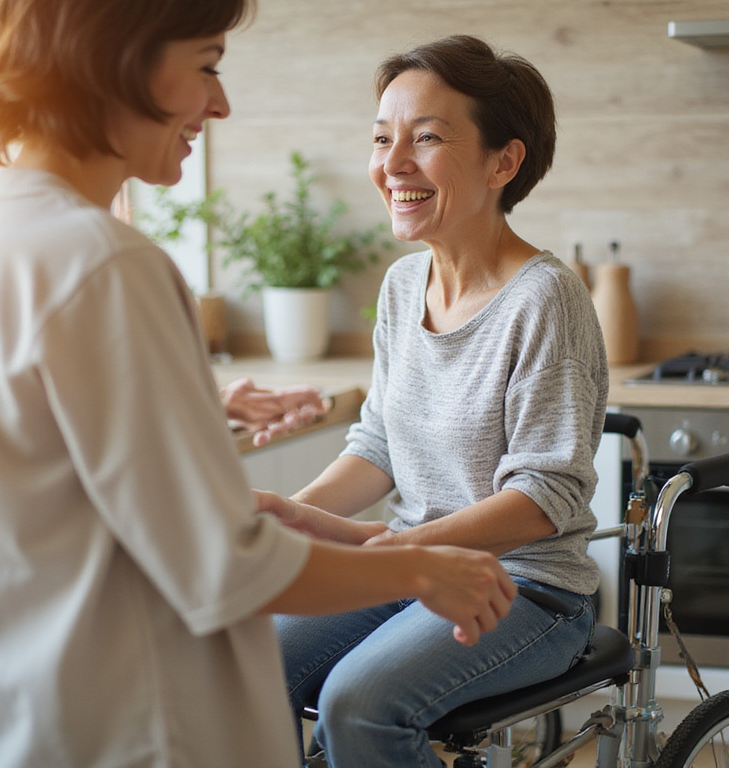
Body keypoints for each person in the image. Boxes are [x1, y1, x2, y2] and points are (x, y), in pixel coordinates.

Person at [0, 4, 517, 767]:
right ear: (116, 57)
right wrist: (417, 567)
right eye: (207, 64)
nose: (218, 103)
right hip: (125, 731)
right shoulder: (104, 264)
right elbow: (221, 565)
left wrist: (197, 405)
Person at [257, 35, 609, 767]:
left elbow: (547, 495)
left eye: (426, 139)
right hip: (409, 567)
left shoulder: (546, 298)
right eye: (383, 139)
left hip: (527, 587)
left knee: (361, 707)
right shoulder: (400, 286)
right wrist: (306, 518)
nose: (392, 165)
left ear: (503, 162)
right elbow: (381, 442)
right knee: (245, 659)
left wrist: (395, 549)